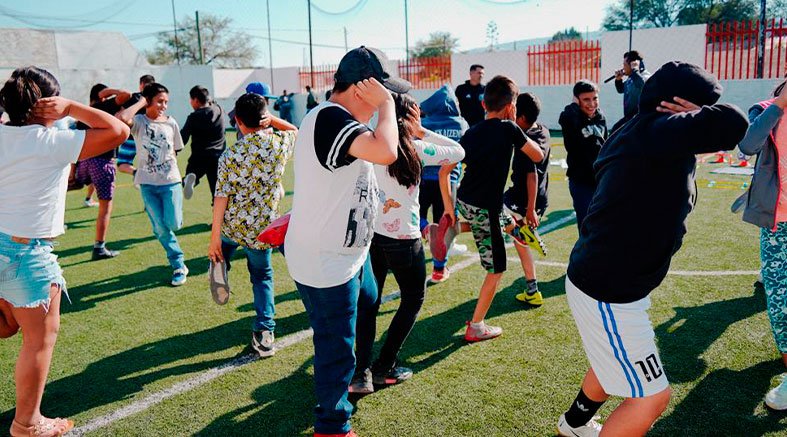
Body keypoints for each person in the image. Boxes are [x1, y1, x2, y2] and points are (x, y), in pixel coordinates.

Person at [556, 62, 748, 437]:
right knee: (651, 398)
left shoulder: (639, 127)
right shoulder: (658, 131)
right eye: (700, 108)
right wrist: (696, 117)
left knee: (610, 359)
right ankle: (575, 424)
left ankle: (573, 424)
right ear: (677, 106)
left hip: (606, 281)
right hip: (608, 289)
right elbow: (735, 123)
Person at [284, 46, 410, 437]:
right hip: (327, 261)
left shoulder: (333, 119)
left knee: (368, 301)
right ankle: (332, 425)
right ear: (361, 88)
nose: (383, 103)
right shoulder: (332, 119)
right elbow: (387, 151)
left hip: (347, 255)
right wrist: (388, 107)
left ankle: (357, 374)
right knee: (334, 346)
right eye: (381, 92)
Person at [0, 66, 129, 437]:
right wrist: (73, 107)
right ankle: (27, 423)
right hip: (26, 253)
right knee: (38, 341)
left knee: (10, 328)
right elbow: (118, 131)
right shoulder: (50, 141)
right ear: (48, 105)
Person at [351, 93, 465, 393]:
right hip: (404, 239)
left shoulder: (374, 147)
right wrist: (421, 131)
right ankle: (384, 365)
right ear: (412, 118)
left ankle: (360, 372)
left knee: (369, 303)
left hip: (374, 237)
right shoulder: (417, 147)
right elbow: (458, 151)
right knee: (413, 299)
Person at [439, 75, 544, 342]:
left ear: (484, 104)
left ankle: (454, 226)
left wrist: (449, 209)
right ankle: (476, 326)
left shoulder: (471, 133)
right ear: (511, 106)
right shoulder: (509, 129)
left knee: (500, 220)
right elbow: (537, 155)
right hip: (485, 206)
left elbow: (445, 171)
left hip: (466, 200)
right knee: (496, 269)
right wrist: (518, 129)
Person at [207, 92, 297, 357]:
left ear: (237, 121)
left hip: (233, 226)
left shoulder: (230, 155)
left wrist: (213, 237)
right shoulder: (279, 144)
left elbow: (220, 199)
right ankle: (265, 333)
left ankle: (218, 267)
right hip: (262, 231)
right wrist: (274, 121)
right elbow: (296, 130)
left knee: (221, 249)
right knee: (262, 277)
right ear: (264, 117)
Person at [738, 79, 787, 411]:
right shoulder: (767, 108)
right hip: (777, 222)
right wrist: (780, 105)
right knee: (780, 298)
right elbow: (748, 144)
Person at [116, 83, 189, 286]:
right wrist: (140, 102)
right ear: (149, 101)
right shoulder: (138, 122)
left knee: (173, 223)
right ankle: (178, 264)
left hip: (170, 182)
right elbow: (121, 119)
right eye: (160, 101)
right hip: (147, 183)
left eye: (166, 101)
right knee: (161, 228)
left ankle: (165, 233)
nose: (164, 105)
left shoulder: (171, 123)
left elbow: (176, 149)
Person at [75, 83, 133, 260]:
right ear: (101, 95)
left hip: (84, 160)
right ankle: (99, 247)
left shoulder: (84, 113)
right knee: (105, 207)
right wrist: (110, 92)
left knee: (70, 188)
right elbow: (126, 94)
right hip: (103, 162)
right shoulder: (103, 107)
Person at [418, 84, 469, 283]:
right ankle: (439, 269)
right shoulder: (461, 124)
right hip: (449, 182)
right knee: (445, 225)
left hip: (423, 179)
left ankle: (424, 229)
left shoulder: (425, 123)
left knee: (417, 216)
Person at [504, 92, 551, 306]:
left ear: (521, 118)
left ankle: (520, 232)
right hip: (540, 197)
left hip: (524, 197)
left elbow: (531, 175)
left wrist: (530, 209)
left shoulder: (525, 141)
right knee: (520, 244)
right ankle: (532, 290)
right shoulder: (543, 131)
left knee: (492, 208)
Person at [559, 80, 607, 231]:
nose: (592, 104)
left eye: (595, 98)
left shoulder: (600, 117)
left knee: (604, 223)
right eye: (586, 99)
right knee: (587, 225)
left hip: (601, 180)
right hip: (581, 182)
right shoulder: (570, 116)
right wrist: (574, 105)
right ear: (577, 99)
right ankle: (585, 254)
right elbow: (567, 117)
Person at [181, 85, 226, 200]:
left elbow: (183, 138)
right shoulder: (219, 110)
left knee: (191, 174)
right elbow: (213, 103)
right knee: (217, 192)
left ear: (195, 100)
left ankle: (191, 179)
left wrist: (173, 149)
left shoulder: (193, 117)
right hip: (218, 157)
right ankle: (218, 213)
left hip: (199, 156)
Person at [116, 74, 156, 176]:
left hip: (132, 136)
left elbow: (121, 115)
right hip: (150, 136)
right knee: (152, 163)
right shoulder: (156, 100)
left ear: (141, 84)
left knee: (122, 164)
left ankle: (136, 172)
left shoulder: (135, 97)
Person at [611, 50, 651, 132]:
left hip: (641, 119)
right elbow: (621, 89)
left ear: (633, 65)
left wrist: (635, 70)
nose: (623, 68)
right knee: (615, 131)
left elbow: (642, 85)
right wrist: (618, 80)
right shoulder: (631, 78)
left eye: (624, 65)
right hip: (629, 118)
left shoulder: (645, 77)